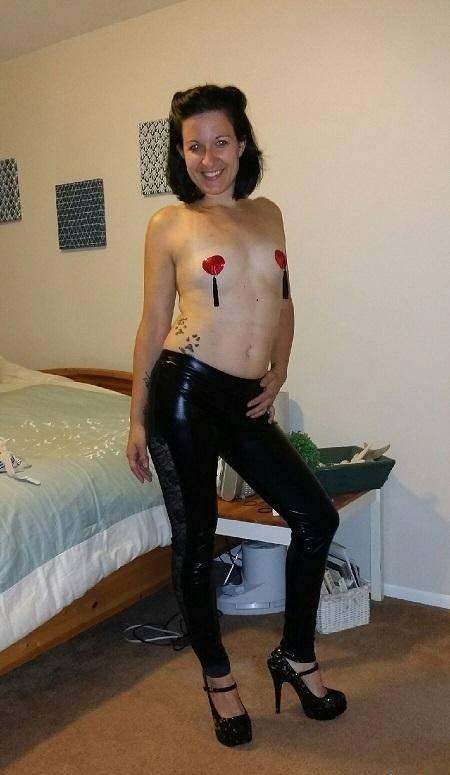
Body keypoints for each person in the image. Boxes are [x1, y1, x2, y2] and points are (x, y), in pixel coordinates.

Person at [127, 84, 347, 747]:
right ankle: (219, 680)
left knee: (316, 517)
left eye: (220, 141)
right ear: (181, 154)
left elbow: (284, 301)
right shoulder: (169, 224)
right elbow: (154, 322)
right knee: (196, 542)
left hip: (247, 399)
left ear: (243, 144)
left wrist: (279, 368)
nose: (209, 158)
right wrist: (137, 416)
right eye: (194, 146)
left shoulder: (268, 213)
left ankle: (296, 656)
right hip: (186, 391)